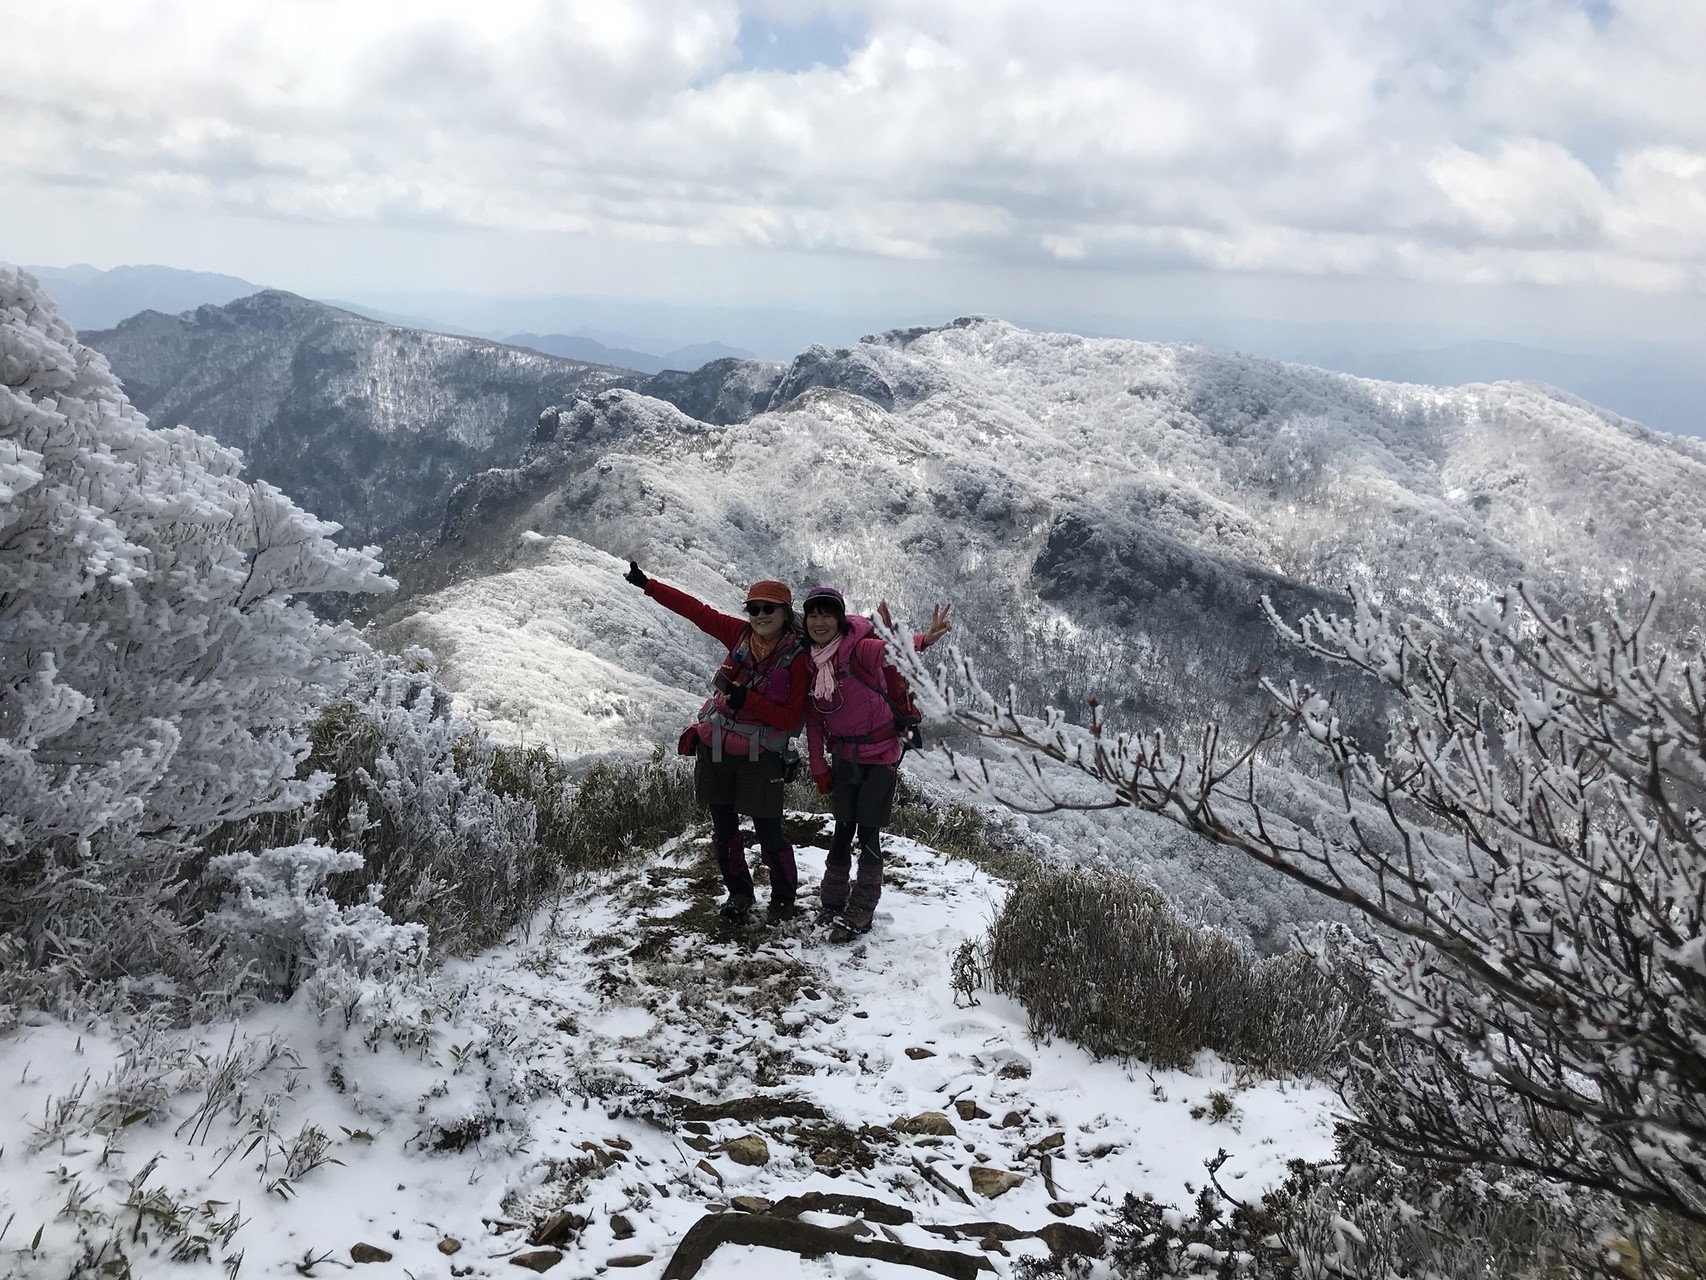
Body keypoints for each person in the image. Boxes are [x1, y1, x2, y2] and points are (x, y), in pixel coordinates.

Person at [625, 560, 811, 922]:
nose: (759, 615)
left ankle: (784, 898)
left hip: (762, 754)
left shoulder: (799, 658)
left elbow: (791, 718)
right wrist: (648, 584)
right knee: (724, 828)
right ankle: (739, 893)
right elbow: (697, 611)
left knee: (769, 831)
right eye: (754, 608)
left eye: (768, 609)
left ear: (786, 613)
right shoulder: (740, 634)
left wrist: (750, 700)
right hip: (717, 746)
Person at [800, 587, 952, 939]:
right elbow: (814, 722)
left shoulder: (860, 649)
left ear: (839, 619)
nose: (819, 622)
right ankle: (833, 902)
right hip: (843, 757)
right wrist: (819, 767)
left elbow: (891, 651)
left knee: (868, 832)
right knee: (841, 829)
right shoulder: (809, 663)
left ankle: (862, 910)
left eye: (826, 614)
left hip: (880, 756)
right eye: (813, 615)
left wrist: (925, 639)